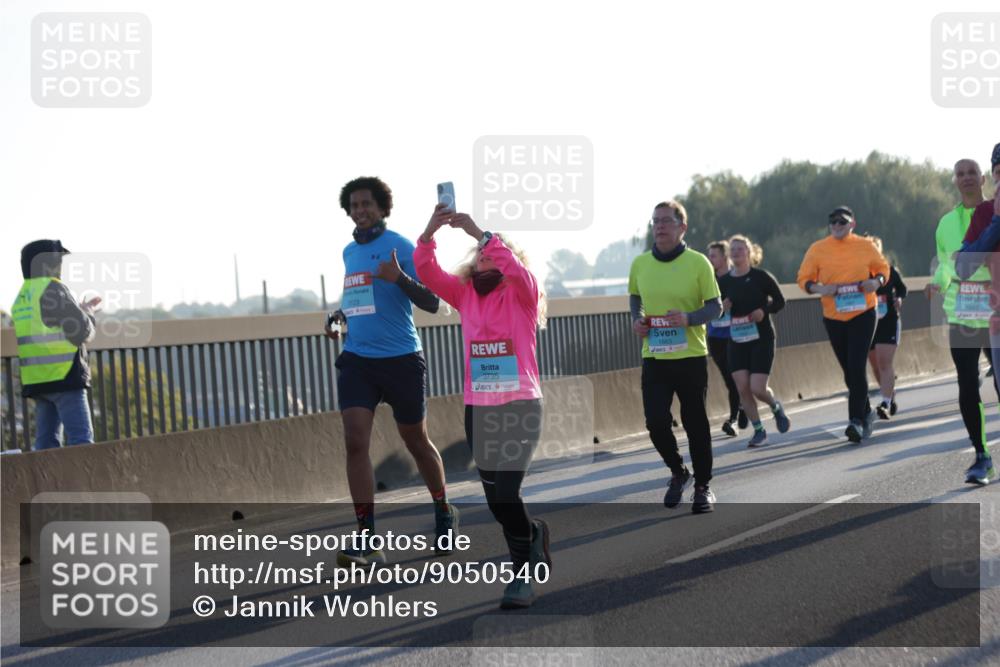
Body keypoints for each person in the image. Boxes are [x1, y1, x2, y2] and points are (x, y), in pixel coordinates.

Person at [414, 204, 550, 610]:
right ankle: (532, 534)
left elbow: (517, 271)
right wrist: (429, 233)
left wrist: (480, 233)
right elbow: (427, 272)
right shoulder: (465, 294)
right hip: (480, 409)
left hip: (521, 405)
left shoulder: (523, 292)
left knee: (507, 492)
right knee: (495, 501)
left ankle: (522, 574)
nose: (485, 254)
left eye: (493, 250)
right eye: (481, 253)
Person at [328, 177, 457, 567]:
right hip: (358, 359)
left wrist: (399, 277)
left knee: (415, 440)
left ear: (382, 208)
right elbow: (359, 300)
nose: (360, 210)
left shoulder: (401, 246)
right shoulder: (349, 251)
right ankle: (367, 537)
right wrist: (339, 316)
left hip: (401, 358)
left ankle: (443, 511)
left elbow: (434, 302)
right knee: (355, 442)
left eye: (367, 204)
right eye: (354, 205)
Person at [629, 201, 721, 513]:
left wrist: (688, 318)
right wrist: (637, 320)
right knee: (655, 422)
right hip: (654, 356)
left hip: (690, 356)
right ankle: (679, 471)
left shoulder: (698, 263)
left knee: (695, 423)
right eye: (655, 221)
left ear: (682, 227)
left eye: (666, 221)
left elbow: (715, 307)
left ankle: (703, 486)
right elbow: (635, 297)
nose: (659, 226)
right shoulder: (640, 264)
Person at [797, 207, 890, 444]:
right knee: (849, 370)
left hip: (863, 313)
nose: (837, 225)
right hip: (834, 316)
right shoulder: (818, 249)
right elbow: (804, 279)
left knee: (856, 366)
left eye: (842, 222)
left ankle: (855, 421)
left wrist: (875, 282)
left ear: (852, 224)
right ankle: (866, 411)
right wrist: (820, 288)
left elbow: (883, 269)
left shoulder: (865, 245)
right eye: (833, 222)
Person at [12, 240, 100, 450]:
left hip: (38, 380)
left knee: (46, 446)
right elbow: (81, 331)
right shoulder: (52, 289)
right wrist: (88, 313)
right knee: (82, 443)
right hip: (64, 376)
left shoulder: (24, 295)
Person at [952, 143, 1000, 485]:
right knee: (971, 383)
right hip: (978, 313)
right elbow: (963, 266)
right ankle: (982, 456)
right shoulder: (984, 214)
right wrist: (996, 221)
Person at [718, 235, 790, 448]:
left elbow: (780, 301)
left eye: (740, 249)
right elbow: (714, 311)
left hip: (762, 338)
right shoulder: (723, 282)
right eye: (733, 249)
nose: (736, 252)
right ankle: (759, 431)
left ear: (749, 252)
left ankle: (775, 407)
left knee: (757, 388)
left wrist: (763, 311)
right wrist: (723, 308)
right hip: (737, 340)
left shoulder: (761, 277)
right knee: (743, 388)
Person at [864, 236, 907, 420]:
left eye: (874, 249)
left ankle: (885, 402)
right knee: (875, 366)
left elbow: (902, 289)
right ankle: (890, 393)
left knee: (884, 362)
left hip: (888, 321)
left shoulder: (889, 270)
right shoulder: (859, 273)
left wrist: (899, 299)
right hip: (868, 322)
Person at [706, 241, 745, 436]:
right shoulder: (708, 280)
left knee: (735, 379)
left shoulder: (736, 278)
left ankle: (733, 419)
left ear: (725, 257)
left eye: (713, 256)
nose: (710, 259)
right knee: (729, 378)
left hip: (736, 335)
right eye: (709, 255)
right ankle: (742, 408)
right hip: (715, 337)